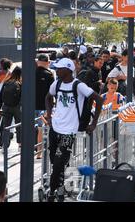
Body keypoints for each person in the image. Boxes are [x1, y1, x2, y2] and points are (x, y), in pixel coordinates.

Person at [44, 58, 103, 202]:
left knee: (58, 163)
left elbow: (99, 99)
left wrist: (94, 123)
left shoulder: (79, 85)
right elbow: (48, 97)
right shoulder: (56, 83)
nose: (57, 71)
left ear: (69, 70)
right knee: (55, 162)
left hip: (69, 130)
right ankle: (60, 190)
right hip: (55, 128)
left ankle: (52, 192)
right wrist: (49, 116)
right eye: (56, 68)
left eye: (60, 68)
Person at [35, 54, 55, 159]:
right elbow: (52, 94)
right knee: (40, 129)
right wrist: (50, 109)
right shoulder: (49, 74)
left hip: (30, 106)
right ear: (48, 62)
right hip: (43, 107)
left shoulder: (30, 73)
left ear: (38, 62)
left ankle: (28, 150)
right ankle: (39, 152)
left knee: (29, 129)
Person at [0, 67, 22, 149]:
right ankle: (20, 144)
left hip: (6, 107)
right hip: (17, 107)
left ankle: (5, 144)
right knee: (19, 125)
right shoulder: (20, 83)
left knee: (6, 126)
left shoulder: (6, 82)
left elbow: (0, 96)